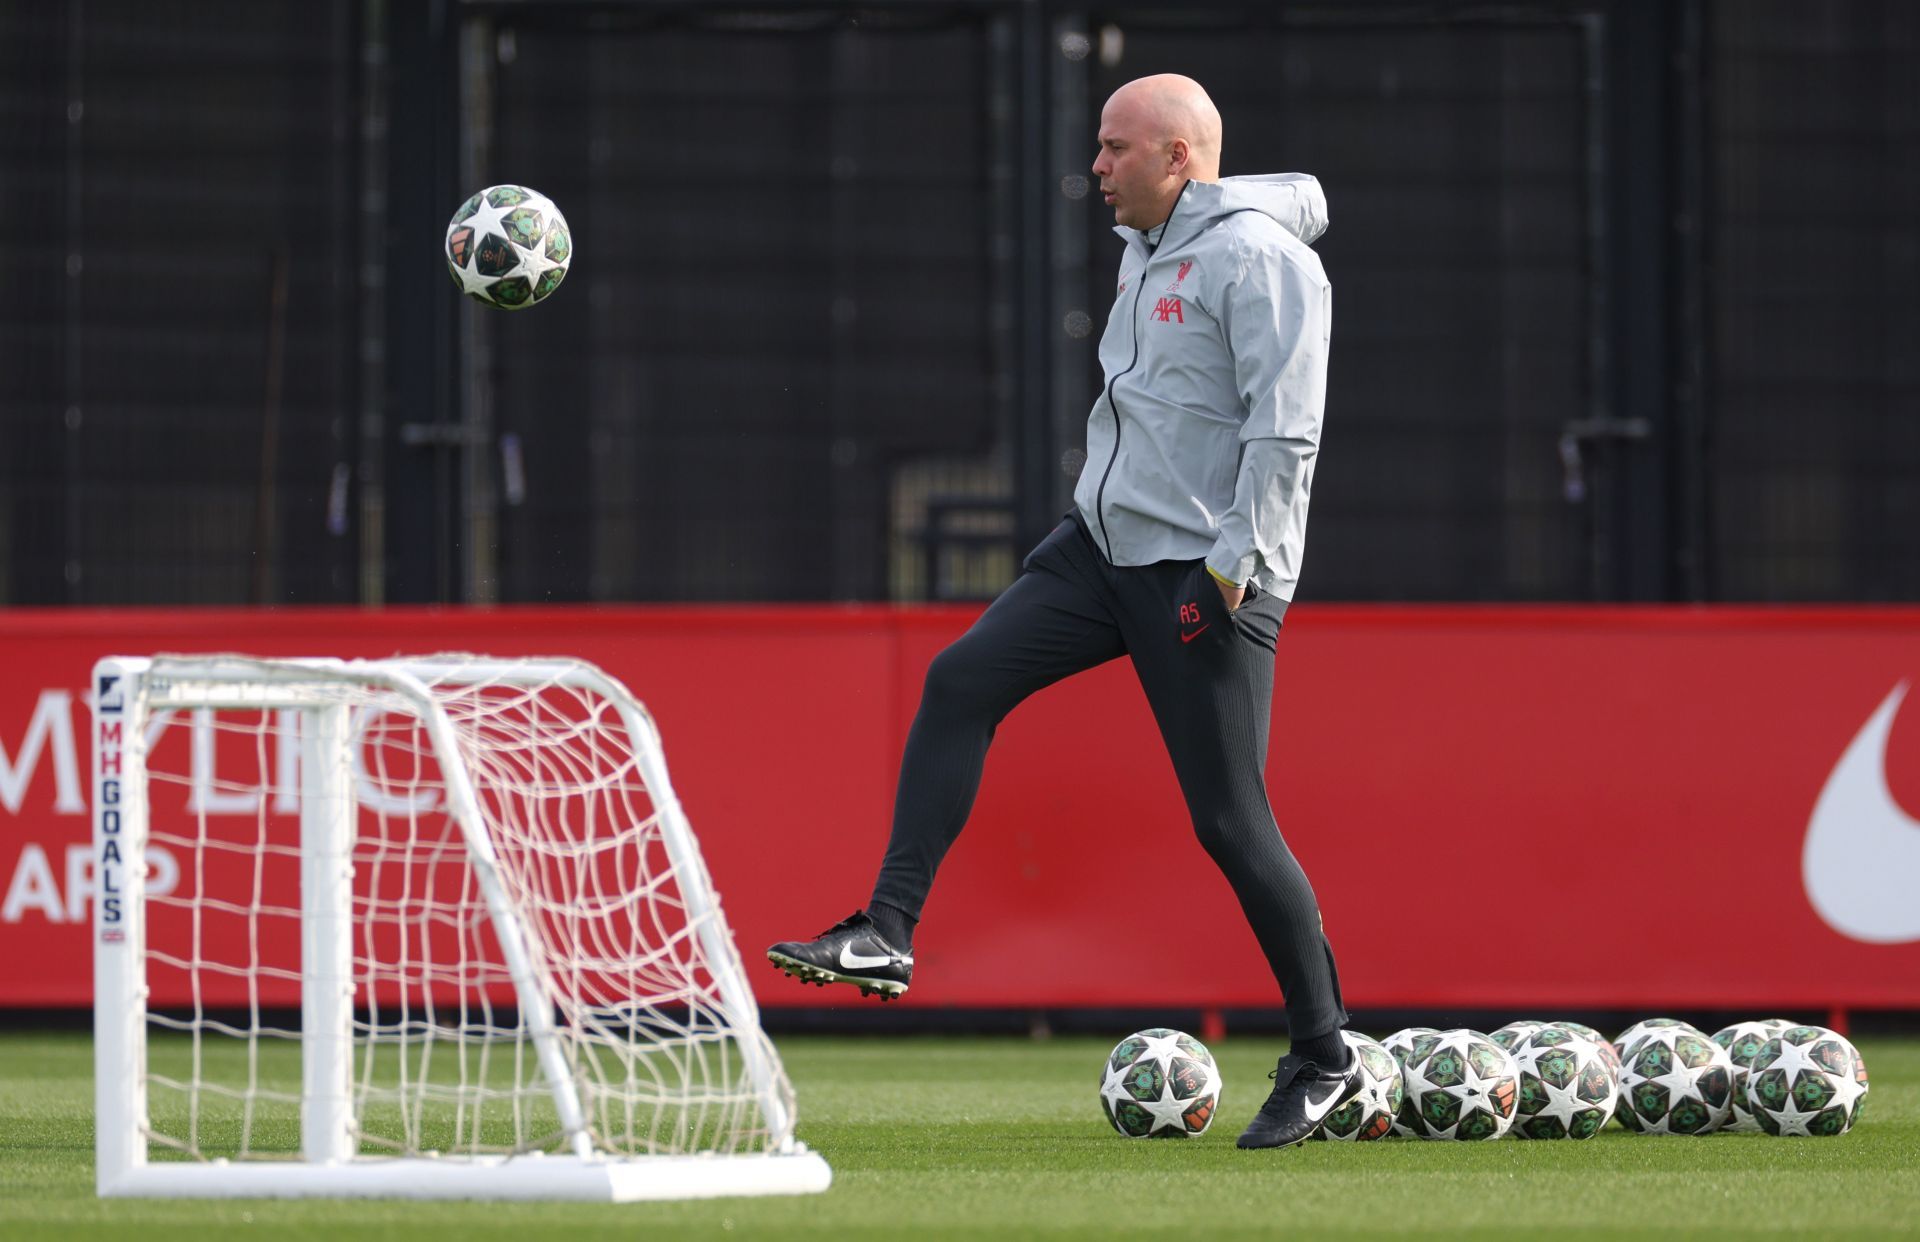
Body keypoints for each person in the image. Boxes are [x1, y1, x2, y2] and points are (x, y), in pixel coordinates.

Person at [768, 74, 1356, 1149]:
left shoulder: (1264, 263)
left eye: (1114, 149)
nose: (1096, 168)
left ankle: (1325, 1057)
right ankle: (887, 932)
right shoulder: (1155, 237)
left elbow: (1286, 437)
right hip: (1099, 550)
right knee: (959, 683)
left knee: (1229, 822)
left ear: (1177, 159)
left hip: (1204, 574)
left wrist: (1228, 579)